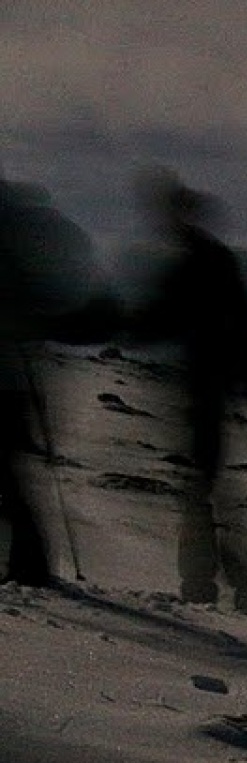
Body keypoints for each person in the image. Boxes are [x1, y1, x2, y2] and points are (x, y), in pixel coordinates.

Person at [131, 169, 247, 614]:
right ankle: (234, 588)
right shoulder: (215, 259)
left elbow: (162, 319)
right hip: (214, 383)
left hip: (203, 386)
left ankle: (210, 586)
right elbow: (243, 320)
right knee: (206, 486)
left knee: (201, 488)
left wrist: (125, 324)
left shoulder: (193, 261)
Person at [0, 171, 99, 584]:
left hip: (8, 379)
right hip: (18, 379)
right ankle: (29, 564)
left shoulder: (9, 253)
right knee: (12, 474)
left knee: (8, 474)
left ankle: (31, 567)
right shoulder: (21, 248)